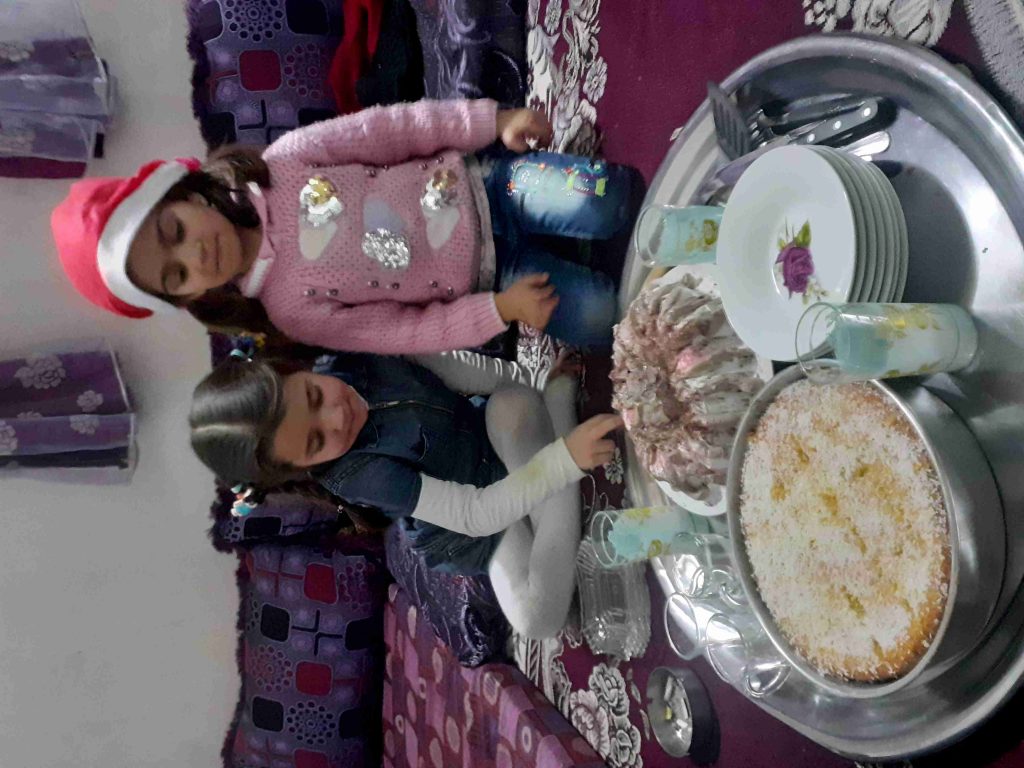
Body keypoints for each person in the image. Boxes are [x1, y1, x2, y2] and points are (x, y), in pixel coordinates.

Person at [52, 100, 632, 353]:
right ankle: (573, 258)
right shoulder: (291, 311)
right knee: (603, 316)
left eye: (174, 232)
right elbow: (404, 333)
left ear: (184, 193)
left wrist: (491, 121)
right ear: (189, 297)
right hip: (496, 278)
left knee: (605, 202)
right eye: (176, 275)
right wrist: (498, 310)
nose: (195, 256)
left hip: (489, 187)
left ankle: (573, 231)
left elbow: (393, 129)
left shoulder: (285, 161)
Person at [189, 349, 623, 638]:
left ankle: (554, 446)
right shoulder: (357, 475)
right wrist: (563, 460)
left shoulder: (355, 354)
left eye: (315, 396)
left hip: (490, 431)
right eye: (316, 441)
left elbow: (456, 368)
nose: (337, 418)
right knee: (536, 618)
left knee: (514, 403)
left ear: (296, 369)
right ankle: (561, 423)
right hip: (474, 520)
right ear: (301, 468)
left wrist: (528, 381)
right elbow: (474, 515)